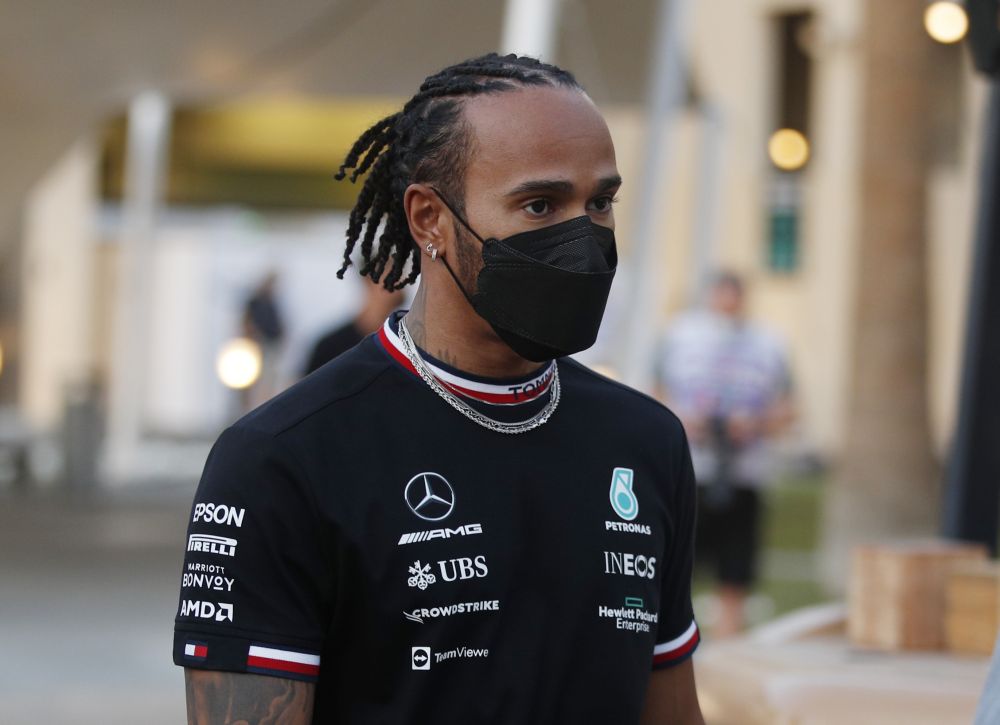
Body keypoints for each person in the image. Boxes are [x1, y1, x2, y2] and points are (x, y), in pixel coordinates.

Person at [175, 53, 704, 725]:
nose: (583, 238)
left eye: (599, 201)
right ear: (429, 218)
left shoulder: (646, 441)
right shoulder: (282, 460)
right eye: (540, 204)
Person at [655, 271, 794, 637]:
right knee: (679, 564)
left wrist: (755, 424)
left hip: (744, 472)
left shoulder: (768, 344)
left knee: (735, 569)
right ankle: (674, 640)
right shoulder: (678, 336)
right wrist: (683, 420)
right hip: (690, 470)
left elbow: (789, 407)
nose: (727, 305)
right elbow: (652, 394)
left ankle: (728, 642)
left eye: (734, 297)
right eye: (721, 296)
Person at [302, 276, 404, 375]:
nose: (401, 279)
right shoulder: (330, 347)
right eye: (395, 271)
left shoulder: (405, 347)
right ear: (369, 279)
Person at [242, 270, 286, 408]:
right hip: (256, 347)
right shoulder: (255, 302)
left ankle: (264, 406)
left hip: (270, 347)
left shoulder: (272, 302)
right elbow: (247, 323)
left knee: (268, 381)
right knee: (251, 382)